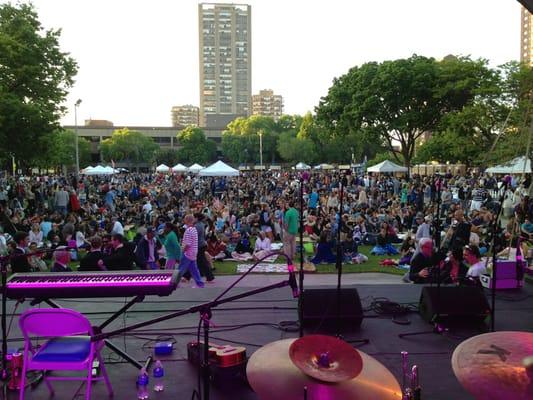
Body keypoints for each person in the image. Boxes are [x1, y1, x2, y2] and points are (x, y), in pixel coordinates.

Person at [177, 214, 204, 288]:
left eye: (184, 219)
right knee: (194, 270)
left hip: (187, 253)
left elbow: (187, 244)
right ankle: (200, 284)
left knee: (180, 269)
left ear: (186, 220)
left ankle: (175, 283)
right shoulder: (194, 229)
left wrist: (182, 251)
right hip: (193, 253)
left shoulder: (188, 230)